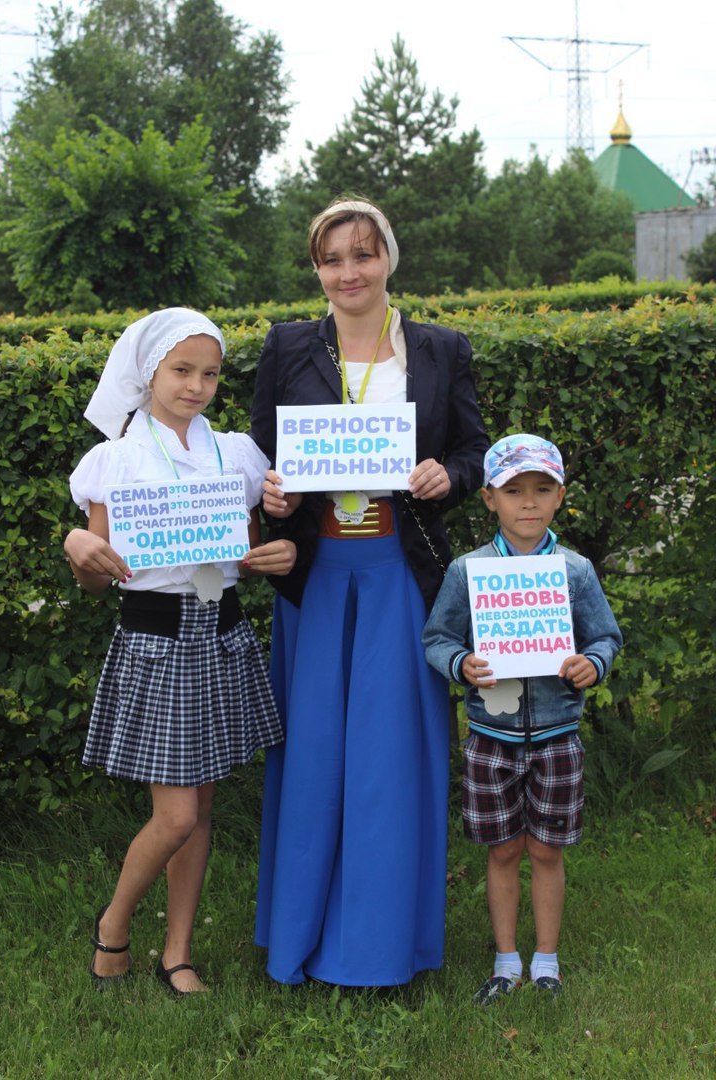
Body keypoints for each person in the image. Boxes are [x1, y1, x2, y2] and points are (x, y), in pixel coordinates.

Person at [249, 196, 489, 986]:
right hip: (318, 577)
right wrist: (273, 497)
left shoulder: (440, 348)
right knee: (315, 758)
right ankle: (302, 938)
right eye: (331, 259)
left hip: (400, 572)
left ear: (388, 257)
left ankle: (386, 945)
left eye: (362, 253)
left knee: (392, 761)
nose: (348, 272)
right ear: (316, 269)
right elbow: (258, 462)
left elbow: (474, 452)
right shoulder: (288, 346)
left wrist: (448, 476)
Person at [64, 308, 295, 995]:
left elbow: (245, 550)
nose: (196, 386)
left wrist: (271, 556)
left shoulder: (237, 454)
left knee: (201, 810)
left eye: (210, 374)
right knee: (177, 815)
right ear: (150, 373)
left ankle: (177, 952)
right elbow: (95, 577)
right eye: (181, 370)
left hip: (221, 635)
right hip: (157, 639)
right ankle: (113, 923)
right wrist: (79, 550)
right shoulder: (117, 459)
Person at [422, 433, 623, 1004]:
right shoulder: (468, 571)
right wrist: (462, 664)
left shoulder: (575, 571)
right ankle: (506, 961)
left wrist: (592, 663)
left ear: (560, 496)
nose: (529, 502)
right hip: (490, 738)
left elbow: (605, 637)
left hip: (558, 736)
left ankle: (547, 962)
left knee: (546, 850)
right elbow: (437, 639)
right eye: (514, 491)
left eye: (542, 489)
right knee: (504, 849)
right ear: (489, 499)